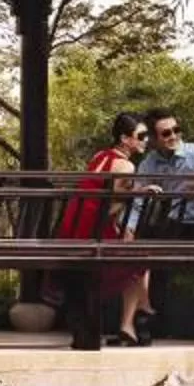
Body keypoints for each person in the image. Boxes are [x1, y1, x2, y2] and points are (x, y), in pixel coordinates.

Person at [56, 111, 153, 346]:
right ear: (124, 139)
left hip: (74, 229)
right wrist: (144, 190)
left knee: (136, 260)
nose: (145, 140)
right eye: (141, 135)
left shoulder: (100, 156)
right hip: (94, 230)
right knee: (141, 262)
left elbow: (107, 195)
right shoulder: (126, 165)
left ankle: (135, 318)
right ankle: (137, 316)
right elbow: (118, 197)